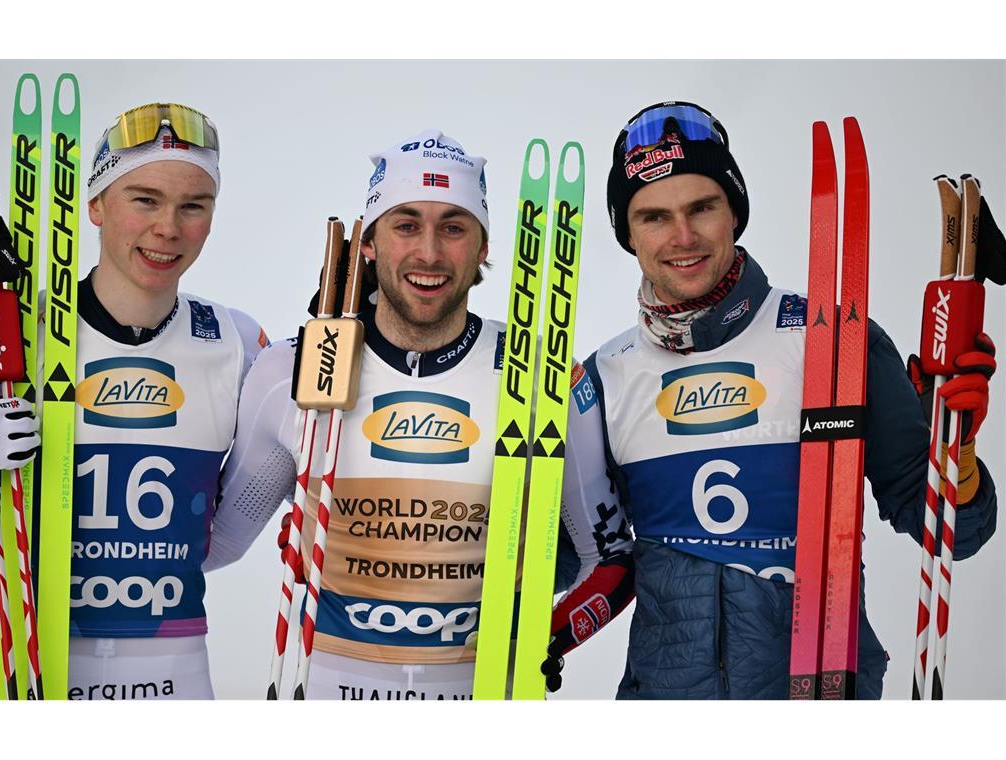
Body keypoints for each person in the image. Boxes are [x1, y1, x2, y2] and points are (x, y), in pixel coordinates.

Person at [546, 101, 998, 699]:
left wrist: (955, 450)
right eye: (654, 216)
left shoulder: (834, 340)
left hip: (817, 690)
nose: (682, 237)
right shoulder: (603, 378)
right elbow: (586, 555)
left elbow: (952, 532)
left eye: (702, 207)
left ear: (734, 210)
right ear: (627, 235)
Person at [0, 102, 270, 699]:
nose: (168, 228)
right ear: (96, 206)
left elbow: (228, 535)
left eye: (193, 205)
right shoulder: (7, 335)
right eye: (144, 199)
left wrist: (107, 574)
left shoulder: (236, 341)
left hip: (173, 678)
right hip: (25, 666)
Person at [217, 129, 634, 699]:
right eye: (406, 224)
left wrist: (550, 635)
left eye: (454, 227)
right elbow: (215, 544)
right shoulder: (290, 369)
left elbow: (610, 558)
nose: (431, 252)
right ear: (368, 242)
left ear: (484, 246)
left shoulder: (545, 377)